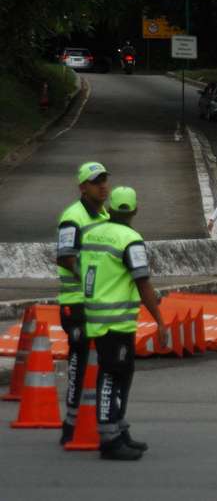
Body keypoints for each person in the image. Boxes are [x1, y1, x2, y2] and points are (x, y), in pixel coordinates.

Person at [80, 186, 163, 460]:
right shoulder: (130, 239)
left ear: (110, 208)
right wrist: (160, 321)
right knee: (112, 375)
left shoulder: (92, 234)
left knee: (121, 372)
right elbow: (142, 281)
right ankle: (109, 438)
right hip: (116, 319)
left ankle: (119, 427)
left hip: (96, 314)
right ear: (136, 209)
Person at [56, 162, 111, 446]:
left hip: (96, 304)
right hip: (76, 302)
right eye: (95, 181)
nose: (102, 185)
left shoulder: (103, 214)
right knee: (78, 362)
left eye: (104, 180)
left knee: (100, 363)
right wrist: (92, 282)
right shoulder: (73, 216)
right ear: (82, 187)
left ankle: (96, 422)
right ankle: (71, 423)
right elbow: (66, 256)